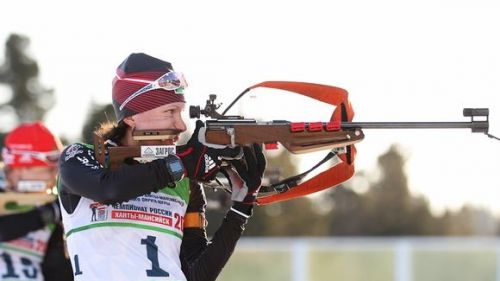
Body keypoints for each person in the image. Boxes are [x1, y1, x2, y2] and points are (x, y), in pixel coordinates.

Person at [57, 53, 266, 281]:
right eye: (169, 112)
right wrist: (183, 163)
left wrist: (241, 208)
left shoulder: (184, 181)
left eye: (180, 112)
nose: (180, 124)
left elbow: (196, 274)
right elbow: (108, 189)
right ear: (131, 117)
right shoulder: (80, 157)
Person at [0, 122, 73, 281]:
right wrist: (49, 213)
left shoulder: (46, 204)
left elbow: (57, 271)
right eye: (49, 169)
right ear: (21, 167)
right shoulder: (49, 210)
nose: (54, 176)